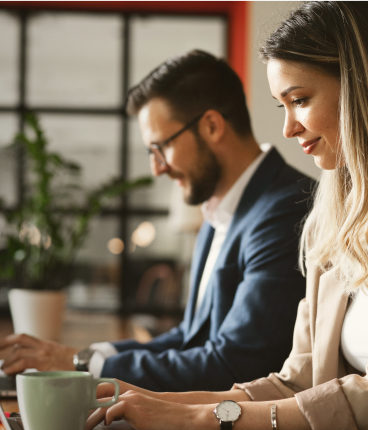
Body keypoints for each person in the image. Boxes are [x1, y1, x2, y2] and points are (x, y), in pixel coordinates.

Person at [83, 2, 368, 430]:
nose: (290, 129)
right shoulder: (332, 218)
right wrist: (160, 404)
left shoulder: (282, 209)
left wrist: (198, 420)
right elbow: (297, 376)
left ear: (367, 89)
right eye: (281, 106)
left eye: (300, 100)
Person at [0, 51, 313, 393]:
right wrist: (84, 356)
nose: (157, 168)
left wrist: (80, 364)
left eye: (160, 147)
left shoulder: (287, 209)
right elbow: (190, 338)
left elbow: (233, 364)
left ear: (212, 126)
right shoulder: (217, 211)